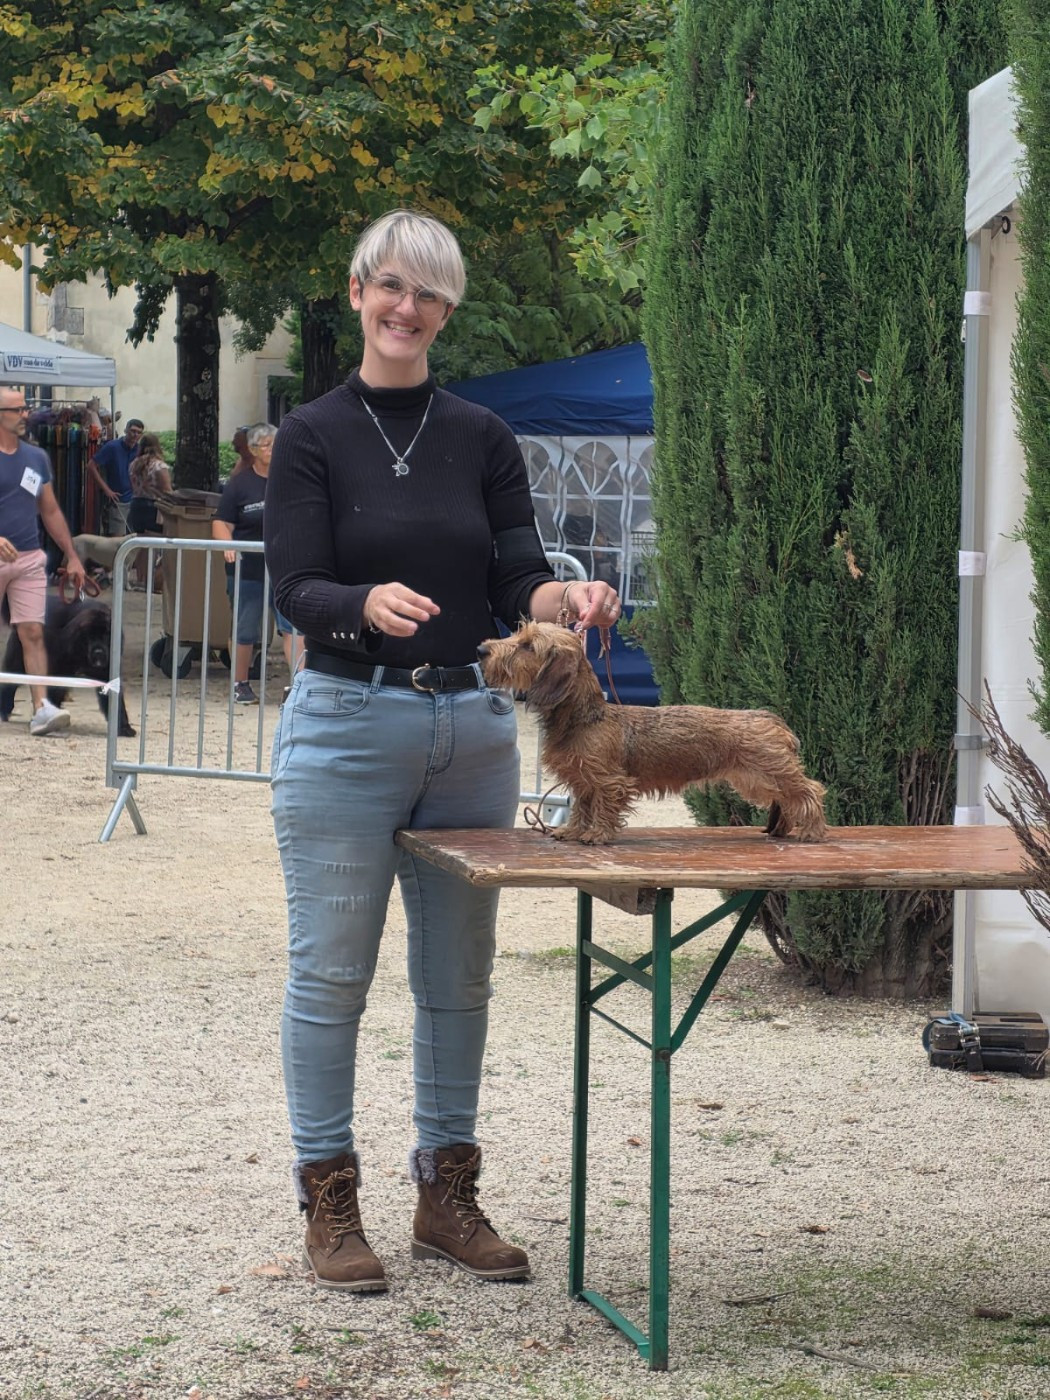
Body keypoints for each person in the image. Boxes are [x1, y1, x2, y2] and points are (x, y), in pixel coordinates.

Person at [264, 209, 621, 1294]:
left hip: (472, 732)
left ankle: (445, 1196)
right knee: (332, 973)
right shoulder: (312, 434)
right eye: (391, 285)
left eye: (428, 293)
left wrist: (564, 598)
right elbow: (296, 585)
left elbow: (517, 575)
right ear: (357, 291)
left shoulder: (482, 435)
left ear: (447, 310)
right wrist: (361, 603)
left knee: (457, 977)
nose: (406, 307)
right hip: (344, 725)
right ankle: (331, 1201)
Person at [0, 384, 86, 735]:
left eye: (26, 408)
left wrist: (72, 555)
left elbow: (49, 510)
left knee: (33, 631)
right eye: (18, 410)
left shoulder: (37, 458)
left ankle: (40, 708)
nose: (26, 415)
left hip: (29, 557)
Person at [212, 422, 298, 703]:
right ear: (253, 450)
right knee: (245, 627)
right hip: (248, 568)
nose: (273, 449)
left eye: (276, 444)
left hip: (285, 567)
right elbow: (221, 522)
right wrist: (228, 545)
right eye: (267, 445)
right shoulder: (240, 484)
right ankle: (240, 683)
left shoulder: (292, 480)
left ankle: (299, 685)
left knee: (292, 627)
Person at [127, 433, 172, 590]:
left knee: (141, 544)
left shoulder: (134, 465)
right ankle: (149, 581)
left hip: (136, 505)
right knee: (153, 544)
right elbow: (167, 490)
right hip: (153, 507)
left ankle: (141, 579)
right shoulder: (159, 466)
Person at [87, 417, 143, 534]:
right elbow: (91, 466)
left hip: (134, 499)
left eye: (139, 432)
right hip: (118, 499)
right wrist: (106, 490)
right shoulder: (112, 447)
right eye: (133, 431)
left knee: (133, 537)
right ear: (126, 430)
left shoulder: (139, 450)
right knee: (117, 538)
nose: (135, 435)